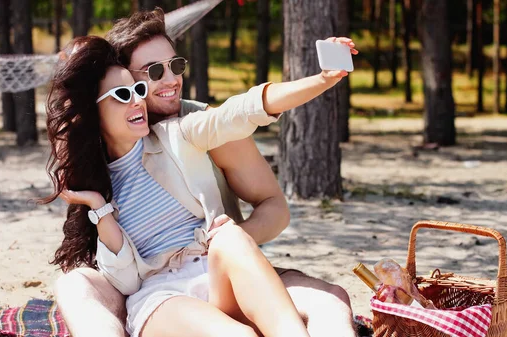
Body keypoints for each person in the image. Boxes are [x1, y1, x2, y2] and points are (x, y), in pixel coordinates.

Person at [45, 21, 357, 337]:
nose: (166, 82)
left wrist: (321, 80)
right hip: (162, 292)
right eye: (148, 76)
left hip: (220, 271)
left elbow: (242, 110)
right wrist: (100, 210)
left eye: (174, 67)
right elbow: (124, 278)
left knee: (235, 240)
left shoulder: (180, 132)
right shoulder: (92, 177)